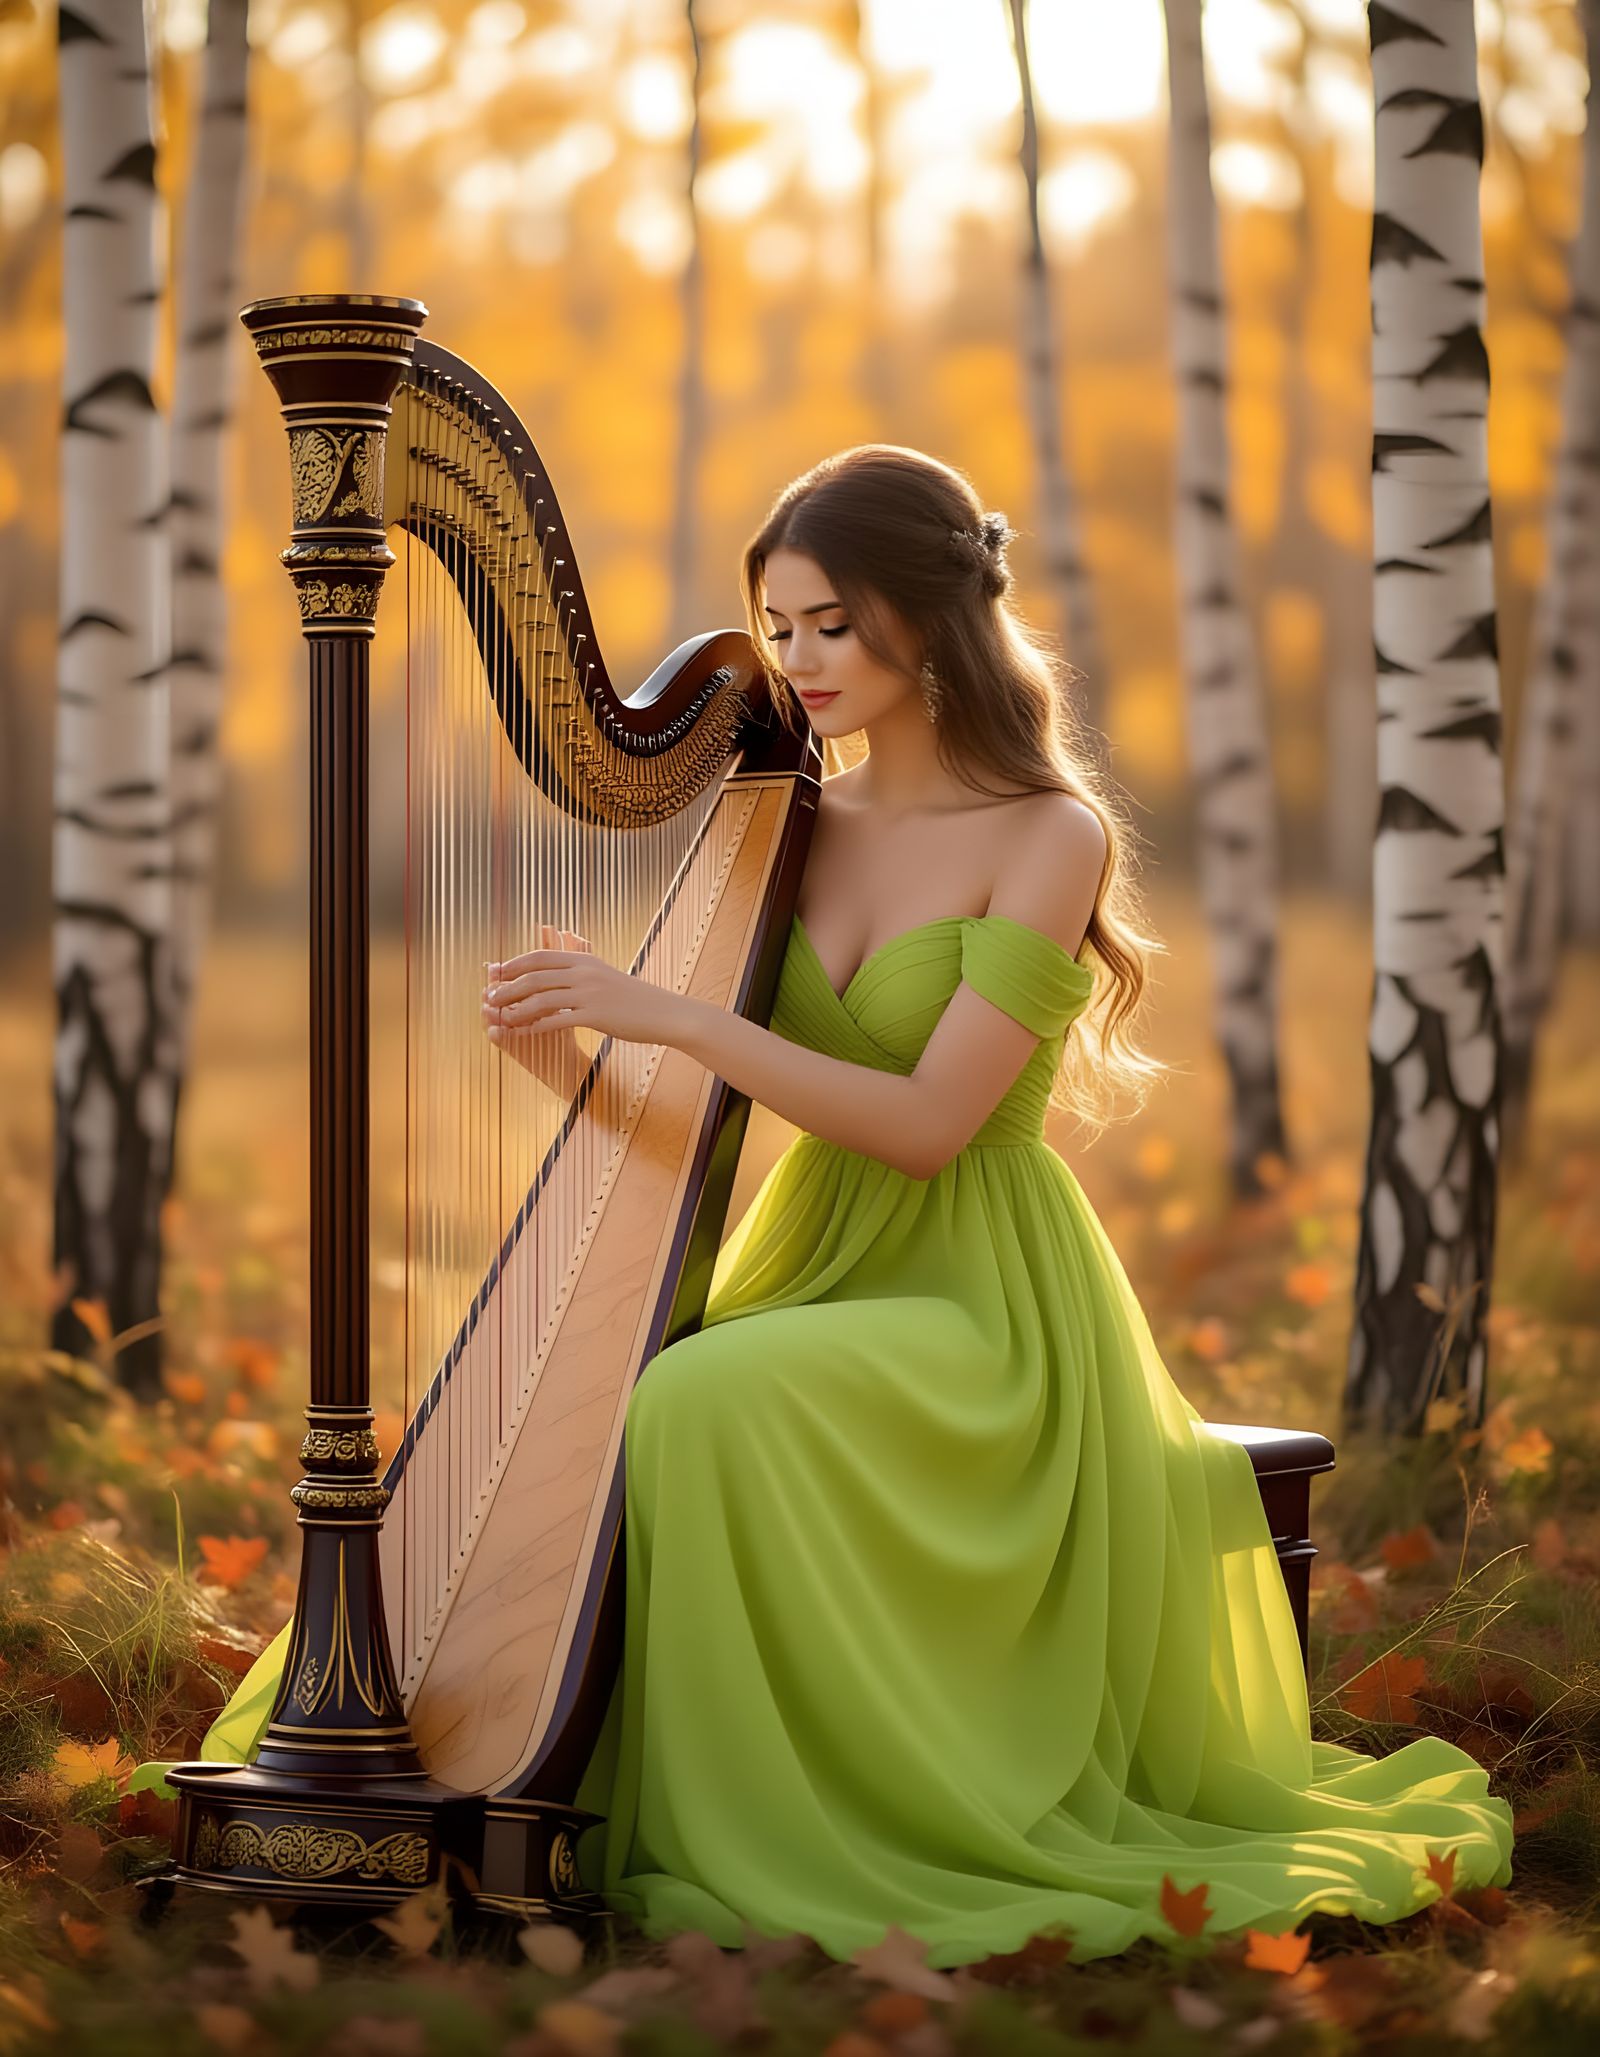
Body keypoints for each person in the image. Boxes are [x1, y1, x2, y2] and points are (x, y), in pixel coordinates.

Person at [143, 445, 1514, 1967]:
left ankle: (787, 1822)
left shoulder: (1047, 833)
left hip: (982, 1299)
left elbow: (927, 1126)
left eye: (832, 624)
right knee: (659, 1393)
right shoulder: (785, 819)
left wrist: (672, 1017)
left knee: (702, 1396)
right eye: (779, 625)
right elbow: (713, 1122)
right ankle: (556, 1781)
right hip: (820, 1255)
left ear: (930, 620)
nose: (798, 661)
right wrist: (569, 1065)